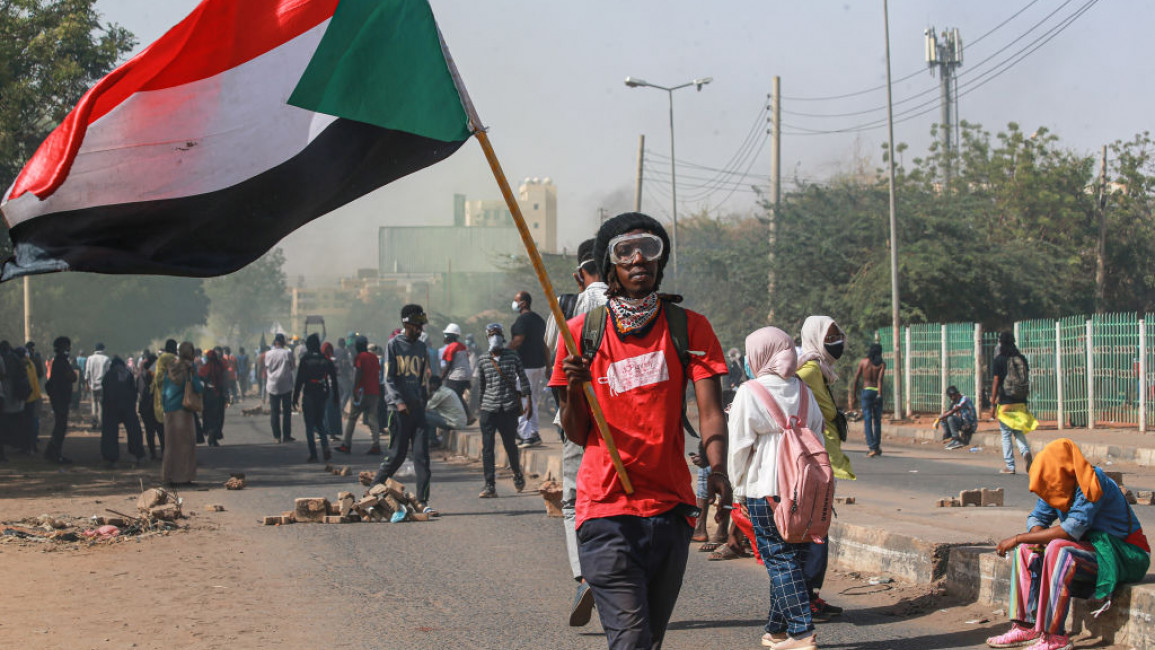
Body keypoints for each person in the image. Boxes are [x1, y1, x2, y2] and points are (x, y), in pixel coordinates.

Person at [550, 213, 730, 650]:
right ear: (609, 265)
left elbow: (709, 411)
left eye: (648, 248)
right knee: (630, 639)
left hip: (669, 509)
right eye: (624, 250)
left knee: (648, 638)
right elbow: (576, 433)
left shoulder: (690, 327)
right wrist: (576, 385)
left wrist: (719, 468)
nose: (638, 259)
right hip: (606, 509)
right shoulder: (579, 335)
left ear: (660, 259)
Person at [987, 438, 1149, 650]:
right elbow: (1037, 518)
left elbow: (1072, 530)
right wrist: (1033, 540)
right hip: (1093, 551)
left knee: (1058, 549)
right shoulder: (1055, 482)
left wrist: (1018, 538)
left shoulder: (1091, 481)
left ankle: (1054, 636)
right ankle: (1025, 626)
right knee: (1027, 550)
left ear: (1064, 470)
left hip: (1125, 555)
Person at [729, 327, 827, 650]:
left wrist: (736, 490)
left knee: (779, 559)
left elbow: (739, 448)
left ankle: (801, 632)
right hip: (802, 489)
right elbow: (818, 434)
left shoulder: (749, 391)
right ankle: (776, 630)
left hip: (765, 488)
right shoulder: (803, 391)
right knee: (791, 560)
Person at [545, 237, 609, 626]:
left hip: (576, 418)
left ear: (579, 271)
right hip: (624, 417)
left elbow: (554, 352)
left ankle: (586, 575)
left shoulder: (568, 305)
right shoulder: (640, 303)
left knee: (574, 499)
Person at [796, 315, 853, 623]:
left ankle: (807, 595)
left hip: (821, 457)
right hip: (815, 459)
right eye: (831, 335)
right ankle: (805, 596)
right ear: (816, 337)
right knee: (816, 527)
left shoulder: (820, 369)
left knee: (816, 525)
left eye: (838, 334)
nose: (838, 341)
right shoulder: (809, 369)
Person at [371, 305, 436, 514]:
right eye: (417, 325)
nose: (420, 329)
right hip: (398, 410)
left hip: (417, 409)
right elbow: (388, 379)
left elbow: (420, 379)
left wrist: (423, 399)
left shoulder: (421, 347)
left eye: (421, 325)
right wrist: (398, 402)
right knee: (396, 455)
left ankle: (422, 501)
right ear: (406, 323)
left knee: (422, 457)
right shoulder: (393, 345)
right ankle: (373, 490)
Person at [475, 322, 529, 498]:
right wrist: (480, 407)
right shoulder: (483, 359)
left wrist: (527, 400)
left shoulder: (512, 356)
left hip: (508, 407)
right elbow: (482, 386)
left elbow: (523, 376)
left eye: (497, 333)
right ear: (487, 337)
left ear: (502, 336)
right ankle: (489, 485)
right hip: (488, 409)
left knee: (510, 445)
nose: (494, 337)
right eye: (491, 334)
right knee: (488, 448)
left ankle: (517, 474)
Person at [991, 331, 1037, 475]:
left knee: (1005, 434)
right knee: (1018, 431)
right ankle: (1025, 453)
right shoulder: (1021, 358)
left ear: (1001, 343)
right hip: (1020, 402)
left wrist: (993, 403)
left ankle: (1010, 466)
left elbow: (996, 381)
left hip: (1006, 402)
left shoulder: (999, 359)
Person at [509, 290, 548, 449]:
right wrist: (548, 365)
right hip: (538, 366)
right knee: (532, 400)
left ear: (523, 303)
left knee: (523, 400)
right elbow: (546, 344)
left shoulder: (522, 320)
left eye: (516, 300)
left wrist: (503, 354)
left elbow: (518, 341)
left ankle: (526, 435)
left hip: (525, 367)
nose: (514, 303)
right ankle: (533, 433)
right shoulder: (539, 320)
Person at [160, 342, 202, 485]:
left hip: (169, 410)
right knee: (185, 444)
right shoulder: (190, 367)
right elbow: (197, 387)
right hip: (184, 409)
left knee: (171, 444)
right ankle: (183, 477)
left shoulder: (170, 366)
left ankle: (169, 476)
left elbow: (164, 389)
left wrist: (165, 407)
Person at [293, 334, 339, 462]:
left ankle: (313, 454)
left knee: (309, 425)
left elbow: (299, 381)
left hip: (309, 393)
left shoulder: (305, 360)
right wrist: (336, 397)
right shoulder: (325, 360)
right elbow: (334, 380)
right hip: (322, 393)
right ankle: (325, 447)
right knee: (320, 423)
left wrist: (295, 397)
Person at [335, 336, 382, 454]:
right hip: (374, 392)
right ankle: (376, 445)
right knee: (373, 419)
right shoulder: (374, 357)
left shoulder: (359, 357)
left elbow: (358, 373)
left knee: (352, 418)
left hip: (362, 392)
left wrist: (355, 390)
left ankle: (346, 444)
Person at [100, 356, 145, 467]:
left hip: (111, 406)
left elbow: (105, 392)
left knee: (110, 432)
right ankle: (137, 455)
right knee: (134, 431)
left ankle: (111, 458)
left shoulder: (109, 375)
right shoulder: (128, 374)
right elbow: (134, 391)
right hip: (127, 406)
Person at [848, 343, 886, 457]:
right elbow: (880, 380)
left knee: (868, 420)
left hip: (866, 392)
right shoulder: (882, 364)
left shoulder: (863, 362)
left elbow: (856, 379)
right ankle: (877, 446)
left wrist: (854, 396)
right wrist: (879, 394)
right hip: (876, 392)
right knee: (877, 421)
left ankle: (871, 447)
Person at [43, 336, 77, 463]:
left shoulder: (58, 360)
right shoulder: (62, 361)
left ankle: (51, 452)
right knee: (60, 427)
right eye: (67, 346)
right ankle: (55, 454)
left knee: (59, 426)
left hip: (58, 397)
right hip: (61, 398)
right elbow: (72, 377)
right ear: (63, 347)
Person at [439, 323, 474, 425]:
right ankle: (466, 416)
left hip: (457, 375)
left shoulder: (451, 347)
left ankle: (465, 416)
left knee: (451, 395)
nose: (444, 337)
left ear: (451, 336)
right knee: (457, 395)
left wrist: (440, 378)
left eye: (446, 335)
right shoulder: (462, 346)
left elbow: (448, 365)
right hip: (465, 375)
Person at [264, 333, 296, 443]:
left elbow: (266, 367)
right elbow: (293, 367)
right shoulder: (288, 353)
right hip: (286, 385)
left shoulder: (268, 354)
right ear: (283, 343)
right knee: (287, 412)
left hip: (273, 385)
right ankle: (286, 436)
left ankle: (276, 436)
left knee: (274, 411)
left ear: (274, 342)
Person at [425, 375, 467, 448]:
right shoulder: (445, 390)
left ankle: (433, 440)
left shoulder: (439, 394)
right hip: (460, 421)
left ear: (433, 384)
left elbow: (426, 408)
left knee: (424, 415)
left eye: (430, 385)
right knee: (430, 413)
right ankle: (432, 438)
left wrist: (429, 393)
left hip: (454, 423)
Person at [199, 349, 228, 447]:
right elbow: (225, 381)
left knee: (208, 416)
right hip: (218, 395)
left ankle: (210, 432)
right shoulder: (220, 366)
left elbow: (200, 381)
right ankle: (214, 436)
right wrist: (226, 394)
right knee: (218, 416)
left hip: (207, 396)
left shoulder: (204, 368)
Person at [137, 352, 164, 460]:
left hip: (147, 407)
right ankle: (163, 452)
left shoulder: (142, 375)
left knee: (150, 431)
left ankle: (153, 453)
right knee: (161, 431)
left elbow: (141, 392)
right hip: (156, 406)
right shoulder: (158, 375)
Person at [938, 386, 977, 450]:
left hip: (970, 424)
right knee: (944, 418)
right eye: (951, 396)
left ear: (957, 394)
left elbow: (954, 410)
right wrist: (943, 417)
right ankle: (949, 436)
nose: (952, 398)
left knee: (950, 418)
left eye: (953, 395)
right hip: (963, 422)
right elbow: (950, 411)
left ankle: (957, 440)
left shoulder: (964, 399)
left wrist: (944, 416)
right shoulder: (954, 402)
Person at [84, 343, 111, 430]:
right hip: (103, 386)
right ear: (103, 349)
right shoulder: (106, 359)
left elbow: (87, 373)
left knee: (94, 404)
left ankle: (93, 422)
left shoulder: (90, 358)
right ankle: (101, 423)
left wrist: (87, 384)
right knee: (101, 405)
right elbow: (109, 373)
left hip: (92, 385)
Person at [333, 337, 355, 422]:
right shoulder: (346, 352)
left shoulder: (335, 351)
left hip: (336, 375)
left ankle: (339, 408)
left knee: (341, 392)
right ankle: (341, 408)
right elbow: (350, 364)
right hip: (344, 375)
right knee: (347, 391)